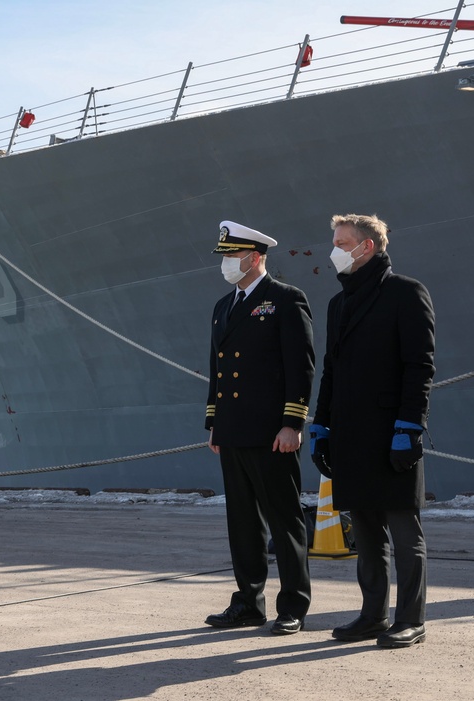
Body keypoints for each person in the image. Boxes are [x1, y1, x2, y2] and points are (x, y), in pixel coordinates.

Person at [311, 213, 435, 649]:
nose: (334, 250)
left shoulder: (405, 293)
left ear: (367, 247)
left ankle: (411, 619)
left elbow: (419, 366)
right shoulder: (337, 303)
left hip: (391, 434)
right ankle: (372, 616)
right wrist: (320, 426)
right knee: (366, 533)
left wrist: (409, 427)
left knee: (404, 532)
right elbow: (331, 370)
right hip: (350, 435)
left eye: (341, 242)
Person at [203, 221, 314, 635]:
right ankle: (248, 601)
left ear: (255, 256)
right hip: (232, 431)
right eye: (226, 256)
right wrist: (214, 421)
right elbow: (218, 371)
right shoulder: (223, 306)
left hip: (271, 432)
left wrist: (292, 423)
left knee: (284, 521)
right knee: (243, 522)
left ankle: (293, 606)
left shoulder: (284, 299)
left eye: (233, 256)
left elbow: (300, 367)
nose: (227, 263)